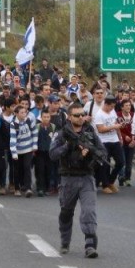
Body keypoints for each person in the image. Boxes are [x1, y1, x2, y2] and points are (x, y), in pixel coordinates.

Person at [50, 102, 107, 258]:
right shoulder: (62, 134)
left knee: (89, 211)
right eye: (77, 115)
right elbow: (53, 154)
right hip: (68, 179)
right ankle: (65, 241)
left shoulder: (90, 132)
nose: (81, 117)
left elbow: (102, 151)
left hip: (87, 177)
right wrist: (68, 147)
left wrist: (92, 155)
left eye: (82, 115)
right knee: (66, 213)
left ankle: (90, 244)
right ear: (69, 117)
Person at [92, 96, 124, 194]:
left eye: (113, 107)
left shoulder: (113, 112)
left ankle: (110, 181)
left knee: (121, 162)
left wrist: (120, 137)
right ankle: (105, 185)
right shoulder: (99, 115)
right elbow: (100, 129)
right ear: (106, 104)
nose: (112, 108)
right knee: (105, 164)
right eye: (111, 106)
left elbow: (117, 124)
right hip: (103, 142)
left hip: (114, 140)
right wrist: (114, 126)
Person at [9, 103, 38, 197]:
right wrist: (14, 153)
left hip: (28, 149)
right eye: (21, 112)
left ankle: (28, 188)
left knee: (27, 167)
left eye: (25, 112)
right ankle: (17, 188)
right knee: (17, 169)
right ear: (16, 114)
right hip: (18, 150)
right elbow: (12, 139)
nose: (24, 114)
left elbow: (34, 132)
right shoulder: (13, 124)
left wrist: (34, 144)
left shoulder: (29, 121)